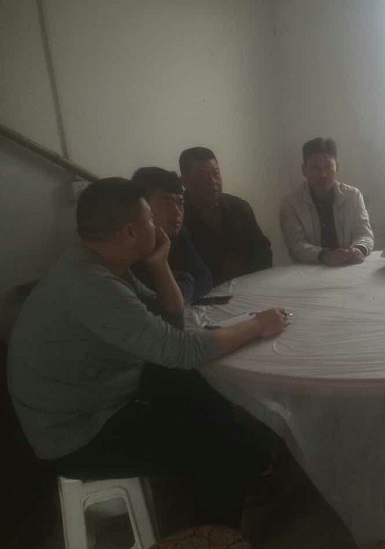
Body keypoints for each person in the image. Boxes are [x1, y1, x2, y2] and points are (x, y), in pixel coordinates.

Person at [7, 178, 289, 527]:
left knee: (194, 385)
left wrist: (159, 265)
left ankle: (250, 463)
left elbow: (170, 318)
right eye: (150, 219)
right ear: (130, 232)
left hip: (105, 396)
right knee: (208, 449)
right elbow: (183, 349)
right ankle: (217, 535)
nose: (156, 226)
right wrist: (257, 325)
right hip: (79, 435)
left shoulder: (97, 263)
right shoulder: (91, 285)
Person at [180, 147, 272, 284]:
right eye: (202, 176)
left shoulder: (239, 207)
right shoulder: (177, 217)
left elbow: (263, 251)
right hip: (205, 293)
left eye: (216, 173)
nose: (212, 181)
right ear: (184, 181)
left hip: (249, 286)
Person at [279, 138, 374, 265]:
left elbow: (364, 234)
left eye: (328, 166)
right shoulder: (290, 203)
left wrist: (359, 249)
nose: (323, 174)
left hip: (349, 265)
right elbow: (296, 246)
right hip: (310, 269)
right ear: (304, 170)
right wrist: (324, 255)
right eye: (315, 168)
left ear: (337, 167)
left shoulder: (353, 196)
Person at [130, 166, 213, 303]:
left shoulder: (179, 235)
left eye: (180, 203)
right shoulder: (127, 243)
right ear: (142, 206)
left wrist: (181, 290)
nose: (177, 211)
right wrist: (181, 283)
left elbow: (204, 278)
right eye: (166, 202)